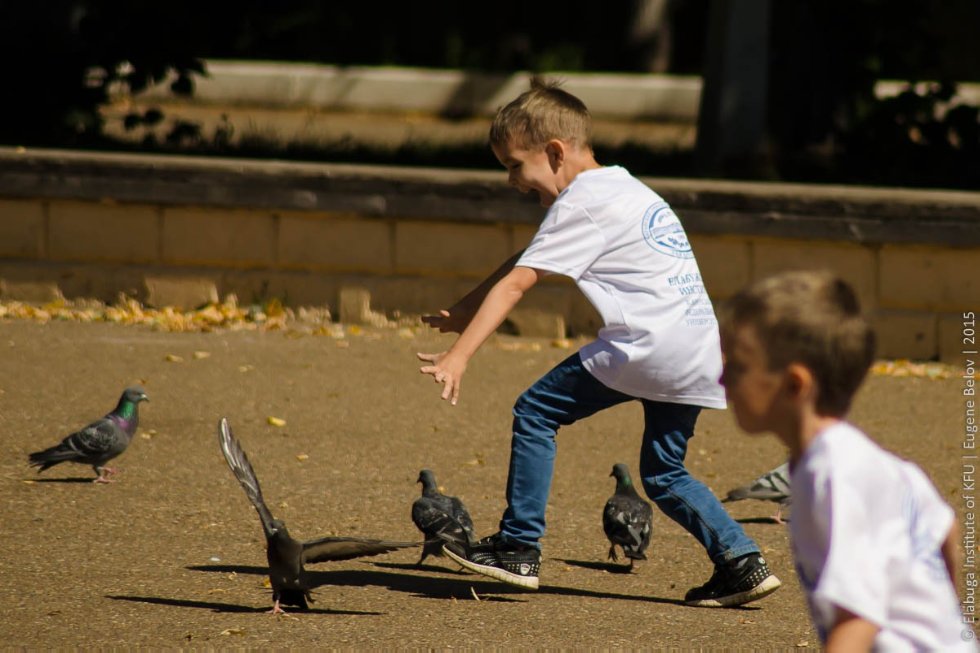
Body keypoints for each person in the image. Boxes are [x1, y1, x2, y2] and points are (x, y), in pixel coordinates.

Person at [416, 78, 780, 607]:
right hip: (698, 349)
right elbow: (527, 258)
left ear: (555, 152)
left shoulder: (581, 204)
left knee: (536, 411)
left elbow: (519, 282)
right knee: (664, 473)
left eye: (515, 165)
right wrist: (467, 309)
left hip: (644, 346)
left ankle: (519, 547)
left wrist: (460, 355)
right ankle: (741, 563)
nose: (513, 181)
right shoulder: (623, 187)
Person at [717, 269, 973, 650]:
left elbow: (858, 618)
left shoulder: (832, 475)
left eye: (736, 367)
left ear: (793, 385)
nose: (721, 380)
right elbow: (947, 533)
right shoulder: (875, 463)